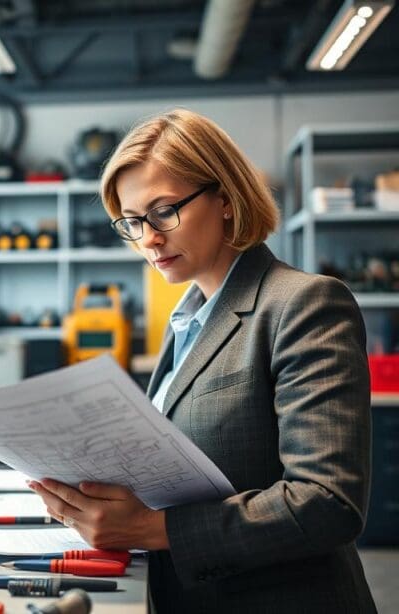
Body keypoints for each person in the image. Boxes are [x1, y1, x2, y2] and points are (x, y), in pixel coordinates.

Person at [28, 109, 376, 613]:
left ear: (227, 201)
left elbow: (328, 503)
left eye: (164, 211)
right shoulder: (186, 320)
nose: (147, 238)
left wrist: (150, 528)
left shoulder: (303, 303)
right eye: (131, 222)